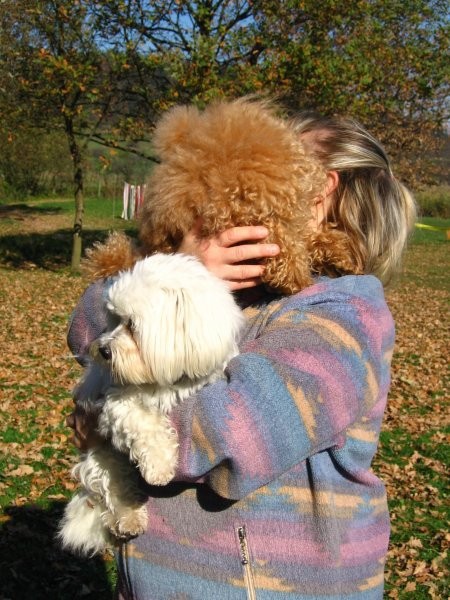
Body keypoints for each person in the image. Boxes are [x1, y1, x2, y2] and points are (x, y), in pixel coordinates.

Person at [68, 112, 416, 599]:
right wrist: (177, 272)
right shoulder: (230, 287)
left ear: (317, 192)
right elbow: (89, 327)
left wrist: (108, 411)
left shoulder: (344, 317)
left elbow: (228, 434)